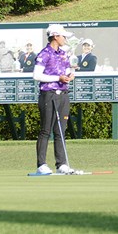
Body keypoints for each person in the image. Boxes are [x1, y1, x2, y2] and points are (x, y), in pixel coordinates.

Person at [33, 24, 77, 175]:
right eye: (63, 36)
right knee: (46, 130)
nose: (65, 39)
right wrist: (58, 77)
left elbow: (66, 70)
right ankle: (42, 165)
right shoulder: (44, 54)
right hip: (48, 94)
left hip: (63, 95)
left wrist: (70, 75)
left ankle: (62, 164)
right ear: (55, 36)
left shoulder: (63, 54)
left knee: (61, 130)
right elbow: (37, 76)